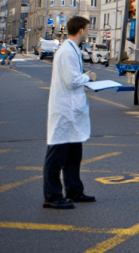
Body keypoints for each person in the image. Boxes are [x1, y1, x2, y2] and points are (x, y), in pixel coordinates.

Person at [43, 16, 97, 209]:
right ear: (81, 30)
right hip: (64, 112)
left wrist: (84, 76)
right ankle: (52, 196)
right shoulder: (66, 52)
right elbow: (72, 80)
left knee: (74, 156)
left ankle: (74, 191)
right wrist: (87, 76)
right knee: (56, 155)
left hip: (72, 111)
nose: (88, 32)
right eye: (88, 29)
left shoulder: (72, 50)